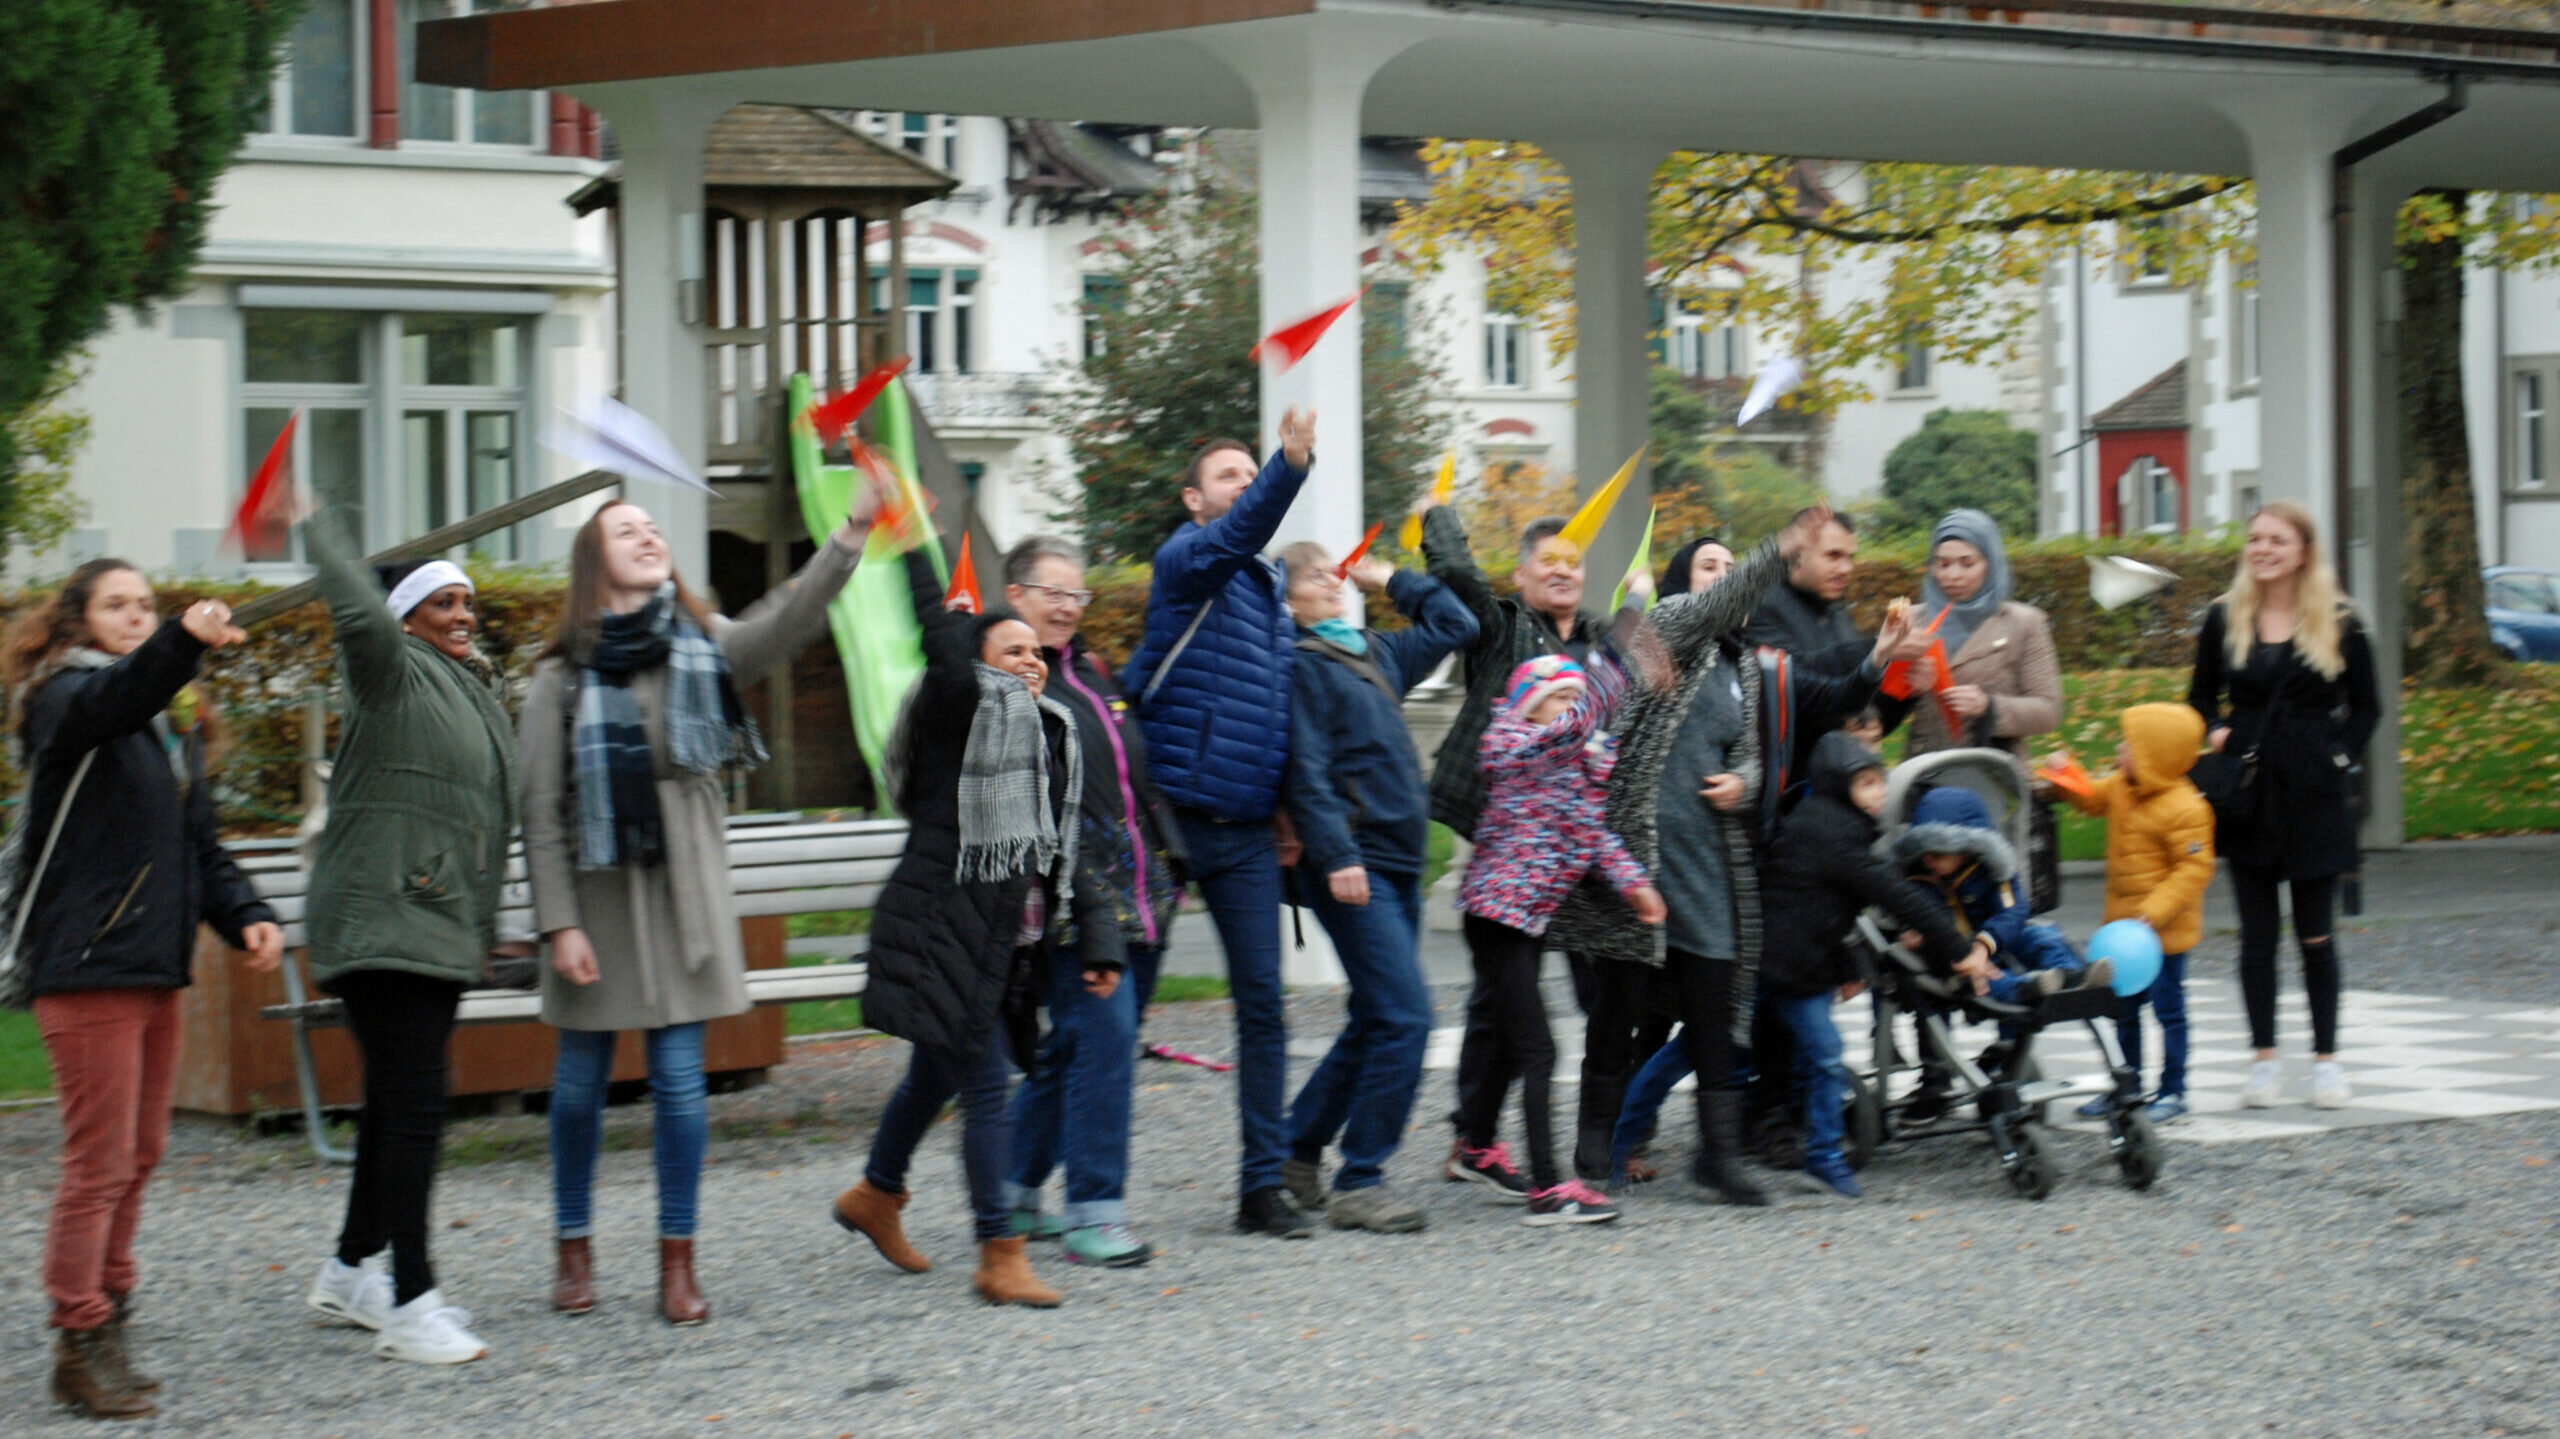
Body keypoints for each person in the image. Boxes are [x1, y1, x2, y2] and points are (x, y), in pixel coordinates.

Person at [520, 494, 874, 1325]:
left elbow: (782, 622)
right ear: (591, 559)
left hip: (685, 896)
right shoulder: (558, 674)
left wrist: (847, 538)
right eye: (624, 529)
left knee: (681, 1085)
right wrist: (559, 921)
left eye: (652, 527)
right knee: (579, 1086)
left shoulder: (699, 643)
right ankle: (573, 1247)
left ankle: (677, 1262)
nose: (647, 536)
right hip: (598, 895)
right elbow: (537, 808)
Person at [1553, 523, 1904, 1196]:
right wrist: (1790, 542)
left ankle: (1717, 1156)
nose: (1726, 574)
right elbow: (1719, 600)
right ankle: (1594, 1155)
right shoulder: (1671, 625)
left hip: (1706, 858)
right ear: (1686, 583)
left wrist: (1875, 662)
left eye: (1732, 566)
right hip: (1642, 853)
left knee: (1718, 1000)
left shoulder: (1743, 661)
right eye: (1711, 565)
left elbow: (1758, 738)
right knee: (1622, 1006)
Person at [7, 566, 280, 1419]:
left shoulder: (172, 727)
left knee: (142, 1156)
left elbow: (201, 848)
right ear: (75, 623)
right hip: (85, 965)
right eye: (115, 605)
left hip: (154, 966)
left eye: (144, 606)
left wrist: (247, 916)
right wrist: (182, 642)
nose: (134, 616)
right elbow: (118, 697)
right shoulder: (64, 698)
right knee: (98, 1164)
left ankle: (113, 1317)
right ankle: (77, 1337)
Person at [299, 509, 520, 1365]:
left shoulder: (466, 685)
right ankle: (413, 1298)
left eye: (469, 602)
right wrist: (313, 528)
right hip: (388, 917)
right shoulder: (391, 672)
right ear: (407, 620)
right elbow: (357, 613)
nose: (464, 615)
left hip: (427, 918)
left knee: (396, 1102)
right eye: (444, 604)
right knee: (417, 1106)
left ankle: (354, 1267)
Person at [833, 545, 1079, 1308]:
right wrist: (911, 544)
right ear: (976, 663)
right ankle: (998, 1252)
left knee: (936, 1072)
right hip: (944, 929)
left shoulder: (1043, 729)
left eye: (1036, 652)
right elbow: (942, 645)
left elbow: (1059, 842)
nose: (1029, 660)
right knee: (985, 1085)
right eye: (1012, 650)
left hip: (1003, 937)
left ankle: (876, 1192)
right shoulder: (956, 708)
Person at [1119, 413, 1318, 1238]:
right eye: (1228, 475)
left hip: (1240, 827)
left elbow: (1269, 710)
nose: (1242, 484)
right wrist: (1289, 465)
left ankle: (1259, 1187)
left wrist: (1280, 808)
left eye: (1250, 472)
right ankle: (1033, 1179)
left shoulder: (1270, 591)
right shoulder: (1186, 559)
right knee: (1119, 1009)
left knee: (1264, 1006)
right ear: (1194, 499)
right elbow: (1240, 532)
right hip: (1166, 818)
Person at [1275, 541, 1477, 1233]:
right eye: (1311, 576)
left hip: (1397, 859)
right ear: (1286, 601)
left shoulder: (1372, 649)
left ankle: (1294, 1150)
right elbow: (1305, 768)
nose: (1330, 578)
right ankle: (1362, 1176)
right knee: (1407, 1016)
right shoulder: (1300, 663)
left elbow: (1458, 625)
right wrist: (1334, 851)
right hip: (1351, 863)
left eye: (1333, 569)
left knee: (1377, 1016)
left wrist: (1393, 578)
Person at [1417, 503, 1618, 1198]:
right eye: (1549, 562)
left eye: (1573, 562)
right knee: (1506, 1001)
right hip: (1508, 845)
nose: (1563, 572)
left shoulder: (1598, 640)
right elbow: (1455, 573)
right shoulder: (1502, 626)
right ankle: (1481, 1140)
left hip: (1577, 848)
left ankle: (1591, 1140)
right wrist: (1435, 517)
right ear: (1522, 573)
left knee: (1584, 990)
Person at [1000, 535, 1186, 1268]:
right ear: (1015, 595)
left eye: (1077, 594)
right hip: (1072, 901)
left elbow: (1128, 772)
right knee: (1104, 1042)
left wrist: (1172, 850)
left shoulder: (1091, 673)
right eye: (1053, 591)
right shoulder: (1011, 685)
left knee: (1073, 1048)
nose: (1068, 606)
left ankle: (1012, 1190)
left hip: (1140, 891)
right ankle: (1094, 1211)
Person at [1455, 653, 1667, 1226]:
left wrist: (1635, 886)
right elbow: (1580, 720)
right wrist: (1628, 643)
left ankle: (1475, 1146)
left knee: (1508, 1039)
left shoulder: (1570, 761)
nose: (1573, 710)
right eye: (1560, 698)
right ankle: (1549, 1189)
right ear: (1531, 706)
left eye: (1577, 697)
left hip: (1524, 917)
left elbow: (1590, 833)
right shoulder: (1519, 746)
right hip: (1496, 914)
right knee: (1540, 1050)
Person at [2189, 501, 2379, 1110]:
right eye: (2255, 539)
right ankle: (2263, 1062)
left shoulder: (2341, 620)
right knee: (2257, 936)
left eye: (2277, 539)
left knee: (2317, 935)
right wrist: (2218, 732)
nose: (2262, 549)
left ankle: (2326, 1061)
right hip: (2249, 794)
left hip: (2316, 796)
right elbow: (2198, 700)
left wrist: (2338, 755)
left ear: (2303, 549)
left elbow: (2368, 705)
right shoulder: (2224, 618)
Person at [1756, 733, 1991, 1199]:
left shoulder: (1830, 826)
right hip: (1784, 970)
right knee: (1805, 1054)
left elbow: (1830, 910)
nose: (1881, 791)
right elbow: (1896, 899)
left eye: (1879, 781)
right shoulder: (1837, 836)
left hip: (1796, 964)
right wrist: (1959, 949)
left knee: (1811, 1055)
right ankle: (1813, 1154)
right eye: (1867, 783)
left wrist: (1846, 965)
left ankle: (1821, 1154)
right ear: (1842, 788)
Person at [2051, 704, 2216, 1123]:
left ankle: (2173, 1091)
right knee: (2123, 1010)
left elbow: (2194, 869)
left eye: (2131, 746)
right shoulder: (2124, 788)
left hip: (2163, 937)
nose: (2120, 750)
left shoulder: (2187, 808)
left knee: (2169, 1011)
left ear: (2156, 756)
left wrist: (2153, 913)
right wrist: (2064, 774)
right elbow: (2090, 798)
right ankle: (2127, 1087)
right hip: (2124, 936)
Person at [1899, 510, 2063, 760]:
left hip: (1992, 770)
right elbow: (1875, 704)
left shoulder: (2023, 623)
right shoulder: (1910, 621)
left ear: (1990, 563)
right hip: (1924, 770)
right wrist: (1901, 683)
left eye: (1967, 564)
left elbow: (2049, 710)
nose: (1953, 576)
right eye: (1943, 564)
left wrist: (1989, 707)